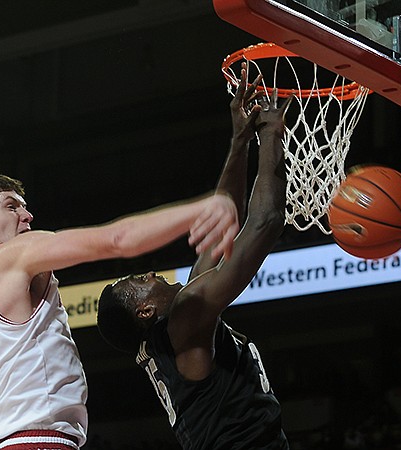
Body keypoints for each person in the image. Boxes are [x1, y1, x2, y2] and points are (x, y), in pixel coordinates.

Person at [0, 174, 241, 450]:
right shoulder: (13, 254)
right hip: (38, 442)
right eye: (12, 206)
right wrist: (204, 207)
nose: (27, 215)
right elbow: (119, 239)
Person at [96, 67, 291, 450]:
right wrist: (271, 136)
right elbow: (265, 222)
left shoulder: (180, 322)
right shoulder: (184, 319)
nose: (149, 273)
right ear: (146, 311)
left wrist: (240, 141)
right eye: (139, 282)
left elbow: (224, 222)